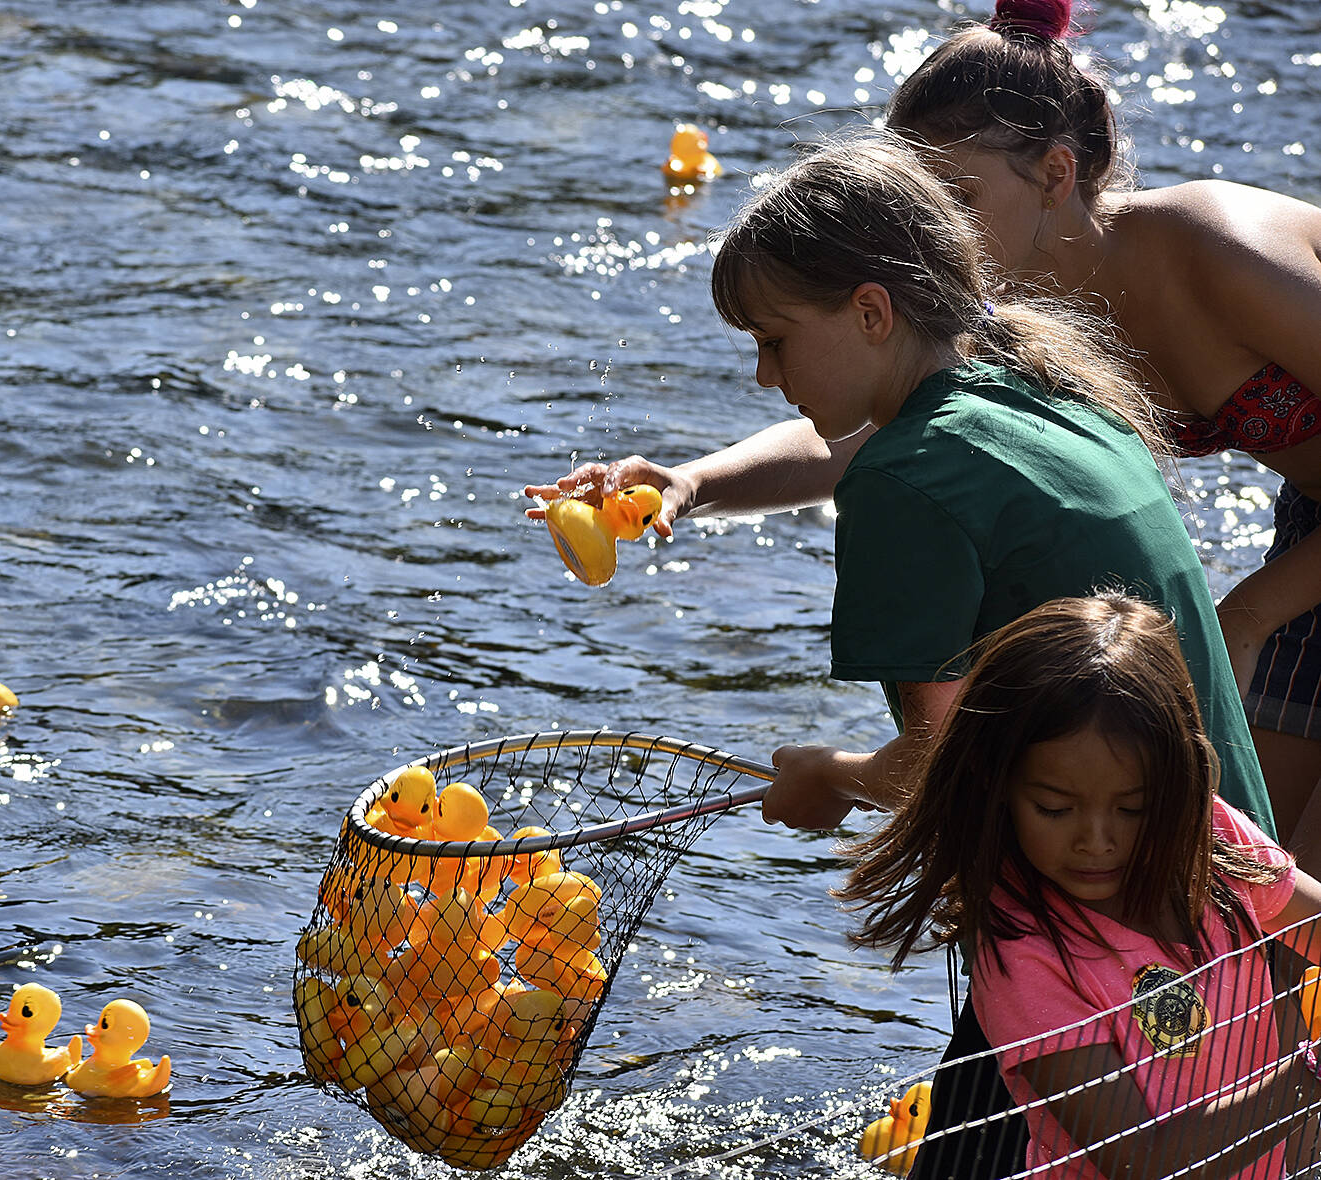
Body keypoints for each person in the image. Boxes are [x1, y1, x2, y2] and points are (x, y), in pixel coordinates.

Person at [520, 129, 1276, 1173]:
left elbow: (940, 759)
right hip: (1232, 872)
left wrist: (829, 779)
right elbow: (858, 433)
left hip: (1098, 909)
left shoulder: (905, 489)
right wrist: (691, 485)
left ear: (872, 311)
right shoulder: (1025, 377)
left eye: (775, 340)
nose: (761, 371)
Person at [886, 0, 1321, 859]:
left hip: (1296, 575)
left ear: (1054, 173)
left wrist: (1245, 616)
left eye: (957, 198)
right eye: (916, 207)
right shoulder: (1017, 315)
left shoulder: (1219, 248)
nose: (930, 235)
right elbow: (877, 436)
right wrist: (692, 485)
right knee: (1259, 896)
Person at [838, 593, 1321, 1178]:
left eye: (1134, 808)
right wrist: (1307, 1079)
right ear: (1000, 789)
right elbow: (1146, 1160)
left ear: (1179, 787)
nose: (1097, 841)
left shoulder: (1208, 838)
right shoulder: (1027, 960)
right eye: (1055, 808)